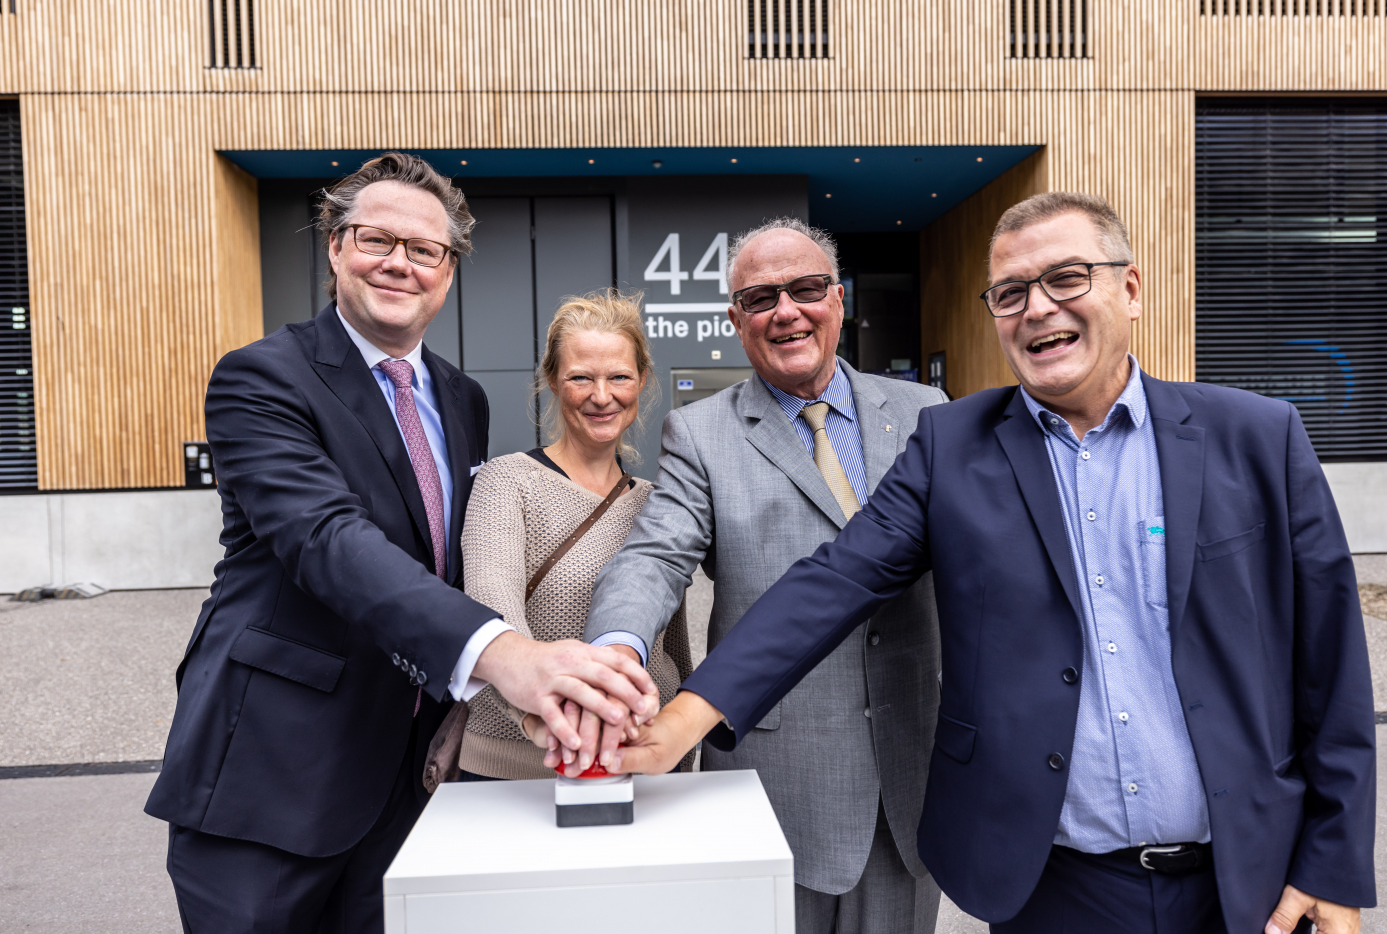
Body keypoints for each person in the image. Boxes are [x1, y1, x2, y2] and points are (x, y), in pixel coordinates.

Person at [614, 193, 1376, 934]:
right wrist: (683, 718)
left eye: (1065, 278)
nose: (1038, 307)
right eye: (1011, 292)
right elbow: (834, 579)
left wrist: (1334, 863)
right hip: (1056, 883)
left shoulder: (1257, 436)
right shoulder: (956, 446)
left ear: (1131, 288)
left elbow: (1330, 665)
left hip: (1247, 879)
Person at [143, 152, 658, 934]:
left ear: (448, 271)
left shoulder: (461, 398)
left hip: (407, 777)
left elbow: (447, 563)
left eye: (425, 250)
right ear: (335, 247)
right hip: (274, 772)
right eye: (376, 239)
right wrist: (508, 657)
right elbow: (326, 541)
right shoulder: (261, 378)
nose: (399, 263)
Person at [568, 218, 949, 934]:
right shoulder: (700, 432)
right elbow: (655, 555)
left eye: (805, 289)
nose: (786, 311)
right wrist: (617, 648)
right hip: (778, 778)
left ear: (838, 300)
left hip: (912, 768)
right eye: (760, 297)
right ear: (735, 319)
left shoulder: (927, 414)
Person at [457, 291, 693, 780]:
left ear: (643, 381)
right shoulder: (507, 482)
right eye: (581, 377)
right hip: (520, 770)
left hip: (640, 767)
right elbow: (491, 617)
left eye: (619, 377)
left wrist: (679, 755)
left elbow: (673, 651)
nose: (602, 396)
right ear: (552, 382)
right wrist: (538, 718)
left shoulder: (657, 500)